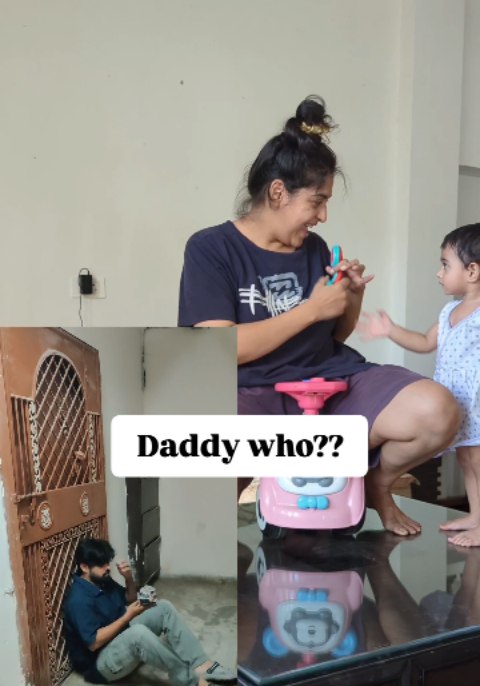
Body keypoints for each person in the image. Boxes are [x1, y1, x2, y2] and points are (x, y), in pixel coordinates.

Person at [178, 94, 460, 536]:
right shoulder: (211, 248)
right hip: (249, 392)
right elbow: (217, 349)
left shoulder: (314, 249)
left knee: (437, 411)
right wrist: (310, 309)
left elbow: (331, 337)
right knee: (199, 472)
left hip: (326, 382)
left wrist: (349, 298)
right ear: (277, 193)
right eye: (316, 202)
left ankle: (376, 484)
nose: (323, 216)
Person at [357, 224, 480, 547]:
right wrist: (390, 330)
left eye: (445, 265)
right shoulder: (450, 311)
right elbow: (425, 342)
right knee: (467, 461)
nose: (439, 273)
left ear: (472, 271)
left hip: (477, 401)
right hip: (458, 403)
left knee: (479, 462)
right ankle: (476, 515)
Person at [63, 538, 236, 686]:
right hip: (102, 664)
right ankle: (194, 682)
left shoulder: (101, 580)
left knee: (164, 608)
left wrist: (128, 578)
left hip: (119, 638)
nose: (108, 567)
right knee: (138, 633)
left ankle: (201, 664)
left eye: (107, 562)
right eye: (101, 564)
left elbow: (129, 597)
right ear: (84, 567)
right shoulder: (79, 600)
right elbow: (94, 643)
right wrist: (127, 616)